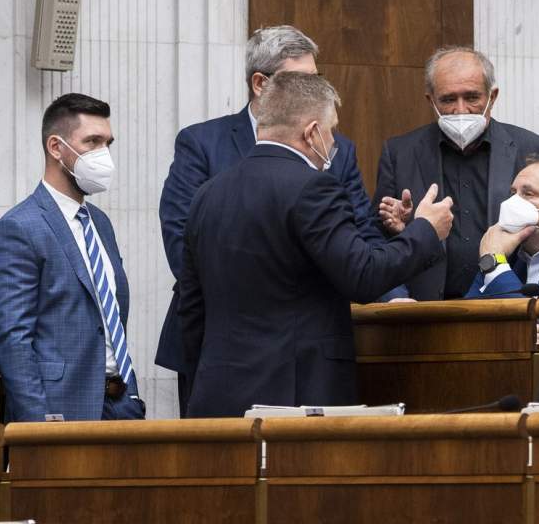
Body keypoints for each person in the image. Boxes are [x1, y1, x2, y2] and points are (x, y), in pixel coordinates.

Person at [178, 72, 454, 418]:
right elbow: (363, 274)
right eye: (332, 130)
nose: (334, 140)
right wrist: (426, 230)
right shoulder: (314, 188)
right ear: (311, 132)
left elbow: (190, 309)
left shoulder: (208, 193)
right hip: (296, 397)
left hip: (216, 396)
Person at [156, 26, 385, 405]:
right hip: (217, 345)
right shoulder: (202, 143)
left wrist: (391, 294)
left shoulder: (337, 148)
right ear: (260, 83)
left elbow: (359, 231)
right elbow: (181, 239)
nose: (315, 92)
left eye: (317, 80)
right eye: (302, 81)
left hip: (304, 350)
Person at [0, 94, 145, 423]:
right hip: (60, 410)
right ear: (56, 147)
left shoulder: (100, 223)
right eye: (92, 142)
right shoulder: (19, 227)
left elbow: (109, 317)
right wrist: (36, 422)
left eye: (108, 143)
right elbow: (14, 338)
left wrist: (131, 395)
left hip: (122, 404)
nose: (103, 154)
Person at [375, 47, 539, 300]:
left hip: (510, 303)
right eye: (448, 99)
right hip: (423, 310)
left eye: (472, 97)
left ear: (492, 97)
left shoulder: (532, 149)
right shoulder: (399, 153)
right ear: (431, 101)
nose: (461, 110)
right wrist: (396, 297)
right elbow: (377, 240)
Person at [463, 155, 539, 299]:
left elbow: (535, 320)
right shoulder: (508, 251)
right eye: (513, 193)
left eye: (528, 194)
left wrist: (495, 264)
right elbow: (468, 315)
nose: (512, 202)